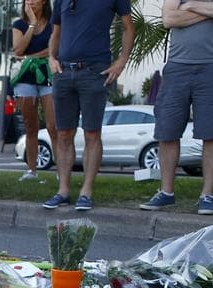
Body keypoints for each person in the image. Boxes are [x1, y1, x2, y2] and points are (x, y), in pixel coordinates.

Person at [139, 0, 213, 216]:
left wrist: (190, 6)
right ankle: (166, 192)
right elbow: (169, 19)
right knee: (167, 131)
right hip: (178, 66)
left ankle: (207, 196)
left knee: (212, 133)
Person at [43, 0, 133, 211]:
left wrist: (121, 62)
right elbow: (57, 30)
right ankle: (63, 191)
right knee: (63, 133)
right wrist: (51, 58)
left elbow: (128, 26)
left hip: (94, 71)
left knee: (92, 134)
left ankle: (86, 192)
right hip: (63, 72)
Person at [11, 0, 56, 181]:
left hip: (49, 75)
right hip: (25, 78)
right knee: (31, 126)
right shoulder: (19, 24)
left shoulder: (53, 22)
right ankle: (32, 170)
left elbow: (55, 48)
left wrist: (32, 57)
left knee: (53, 126)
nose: (29, 2)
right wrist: (31, 24)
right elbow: (19, 50)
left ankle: (61, 171)